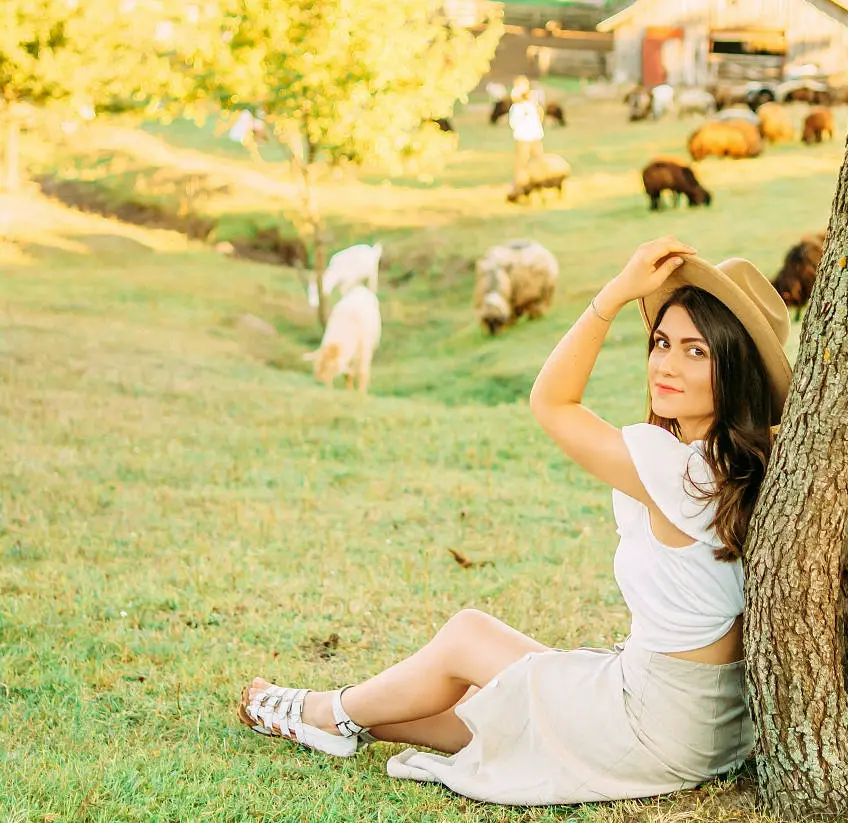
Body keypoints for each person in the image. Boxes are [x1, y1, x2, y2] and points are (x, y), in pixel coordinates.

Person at [237, 237, 793, 805]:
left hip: (655, 719)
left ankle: (327, 711)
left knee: (469, 636)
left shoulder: (676, 468)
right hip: (715, 725)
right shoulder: (746, 462)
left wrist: (616, 294)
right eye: (661, 343)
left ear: (734, 368)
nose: (667, 365)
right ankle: (341, 715)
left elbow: (552, 402)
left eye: (696, 352)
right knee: (496, 702)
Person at [507, 75, 545, 197]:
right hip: (523, 137)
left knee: (538, 161)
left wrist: (535, 104)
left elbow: (540, 117)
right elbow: (514, 123)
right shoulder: (516, 107)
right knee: (521, 163)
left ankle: (539, 184)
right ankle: (518, 186)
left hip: (535, 136)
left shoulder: (533, 104)